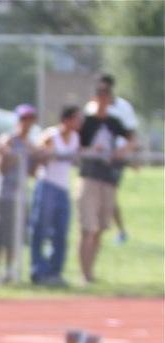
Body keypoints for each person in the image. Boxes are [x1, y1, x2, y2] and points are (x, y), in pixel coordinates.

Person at [76, 82, 132, 285]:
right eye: (100, 94)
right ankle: (84, 274)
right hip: (89, 177)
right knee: (87, 227)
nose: (103, 98)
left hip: (107, 179)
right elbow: (76, 146)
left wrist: (123, 150)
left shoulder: (114, 122)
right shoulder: (87, 122)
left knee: (100, 227)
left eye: (107, 95)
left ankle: (90, 272)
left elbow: (132, 137)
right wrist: (92, 150)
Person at [29, 104, 82, 287]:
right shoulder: (51, 135)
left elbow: (78, 156)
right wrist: (46, 153)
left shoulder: (75, 137)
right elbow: (36, 153)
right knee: (41, 229)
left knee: (60, 231)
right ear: (67, 120)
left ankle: (54, 271)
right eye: (76, 118)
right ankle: (38, 270)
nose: (79, 122)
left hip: (62, 187)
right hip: (47, 185)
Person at [85, 74, 137, 243]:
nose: (103, 92)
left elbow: (131, 134)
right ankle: (106, 229)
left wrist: (127, 153)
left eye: (105, 89)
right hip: (93, 162)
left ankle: (117, 230)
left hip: (114, 160)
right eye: (99, 89)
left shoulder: (123, 108)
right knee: (97, 197)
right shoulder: (90, 107)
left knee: (109, 194)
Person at [0, 103, 37, 285]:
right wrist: (15, 156)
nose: (27, 123)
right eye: (24, 119)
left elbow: (32, 172)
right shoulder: (8, 140)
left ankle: (10, 269)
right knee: (1, 233)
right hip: (5, 194)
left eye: (31, 119)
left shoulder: (29, 143)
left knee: (15, 234)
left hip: (21, 194)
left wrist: (35, 156)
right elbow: (2, 168)